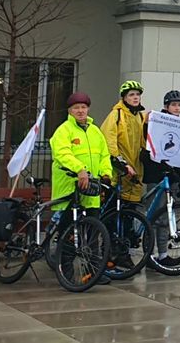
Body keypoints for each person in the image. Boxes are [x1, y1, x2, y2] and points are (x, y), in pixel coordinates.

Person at [49, 92, 111, 276]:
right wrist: (79, 169)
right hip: (70, 188)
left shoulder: (95, 131)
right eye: (76, 108)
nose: (81, 111)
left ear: (88, 109)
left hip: (91, 190)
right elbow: (62, 153)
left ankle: (93, 272)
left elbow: (104, 155)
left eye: (83, 107)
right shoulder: (64, 130)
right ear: (70, 111)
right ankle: (65, 271)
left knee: (93, 233)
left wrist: (106, 173)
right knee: (67, 232)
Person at [139, 91, 180, 267]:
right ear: (167, 106)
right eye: (174, 105)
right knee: (153, 218)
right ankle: (149, 254)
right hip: (157, 176)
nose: (177, 108)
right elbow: (150, 144)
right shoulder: (156, 122)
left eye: (179, 105)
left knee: (166, 219)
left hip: (173, 177)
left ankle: (162, 254)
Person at [100, 80, 147, 204]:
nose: (135, 97)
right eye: (131, 95)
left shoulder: (140, 116)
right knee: (113, 209)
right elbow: (108, 141)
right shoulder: (116, 115)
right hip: (119, 172)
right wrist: (120, 162)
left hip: (135, 171)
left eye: (137, 94)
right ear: (124, 98)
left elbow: (143, 141)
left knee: (130, 211)